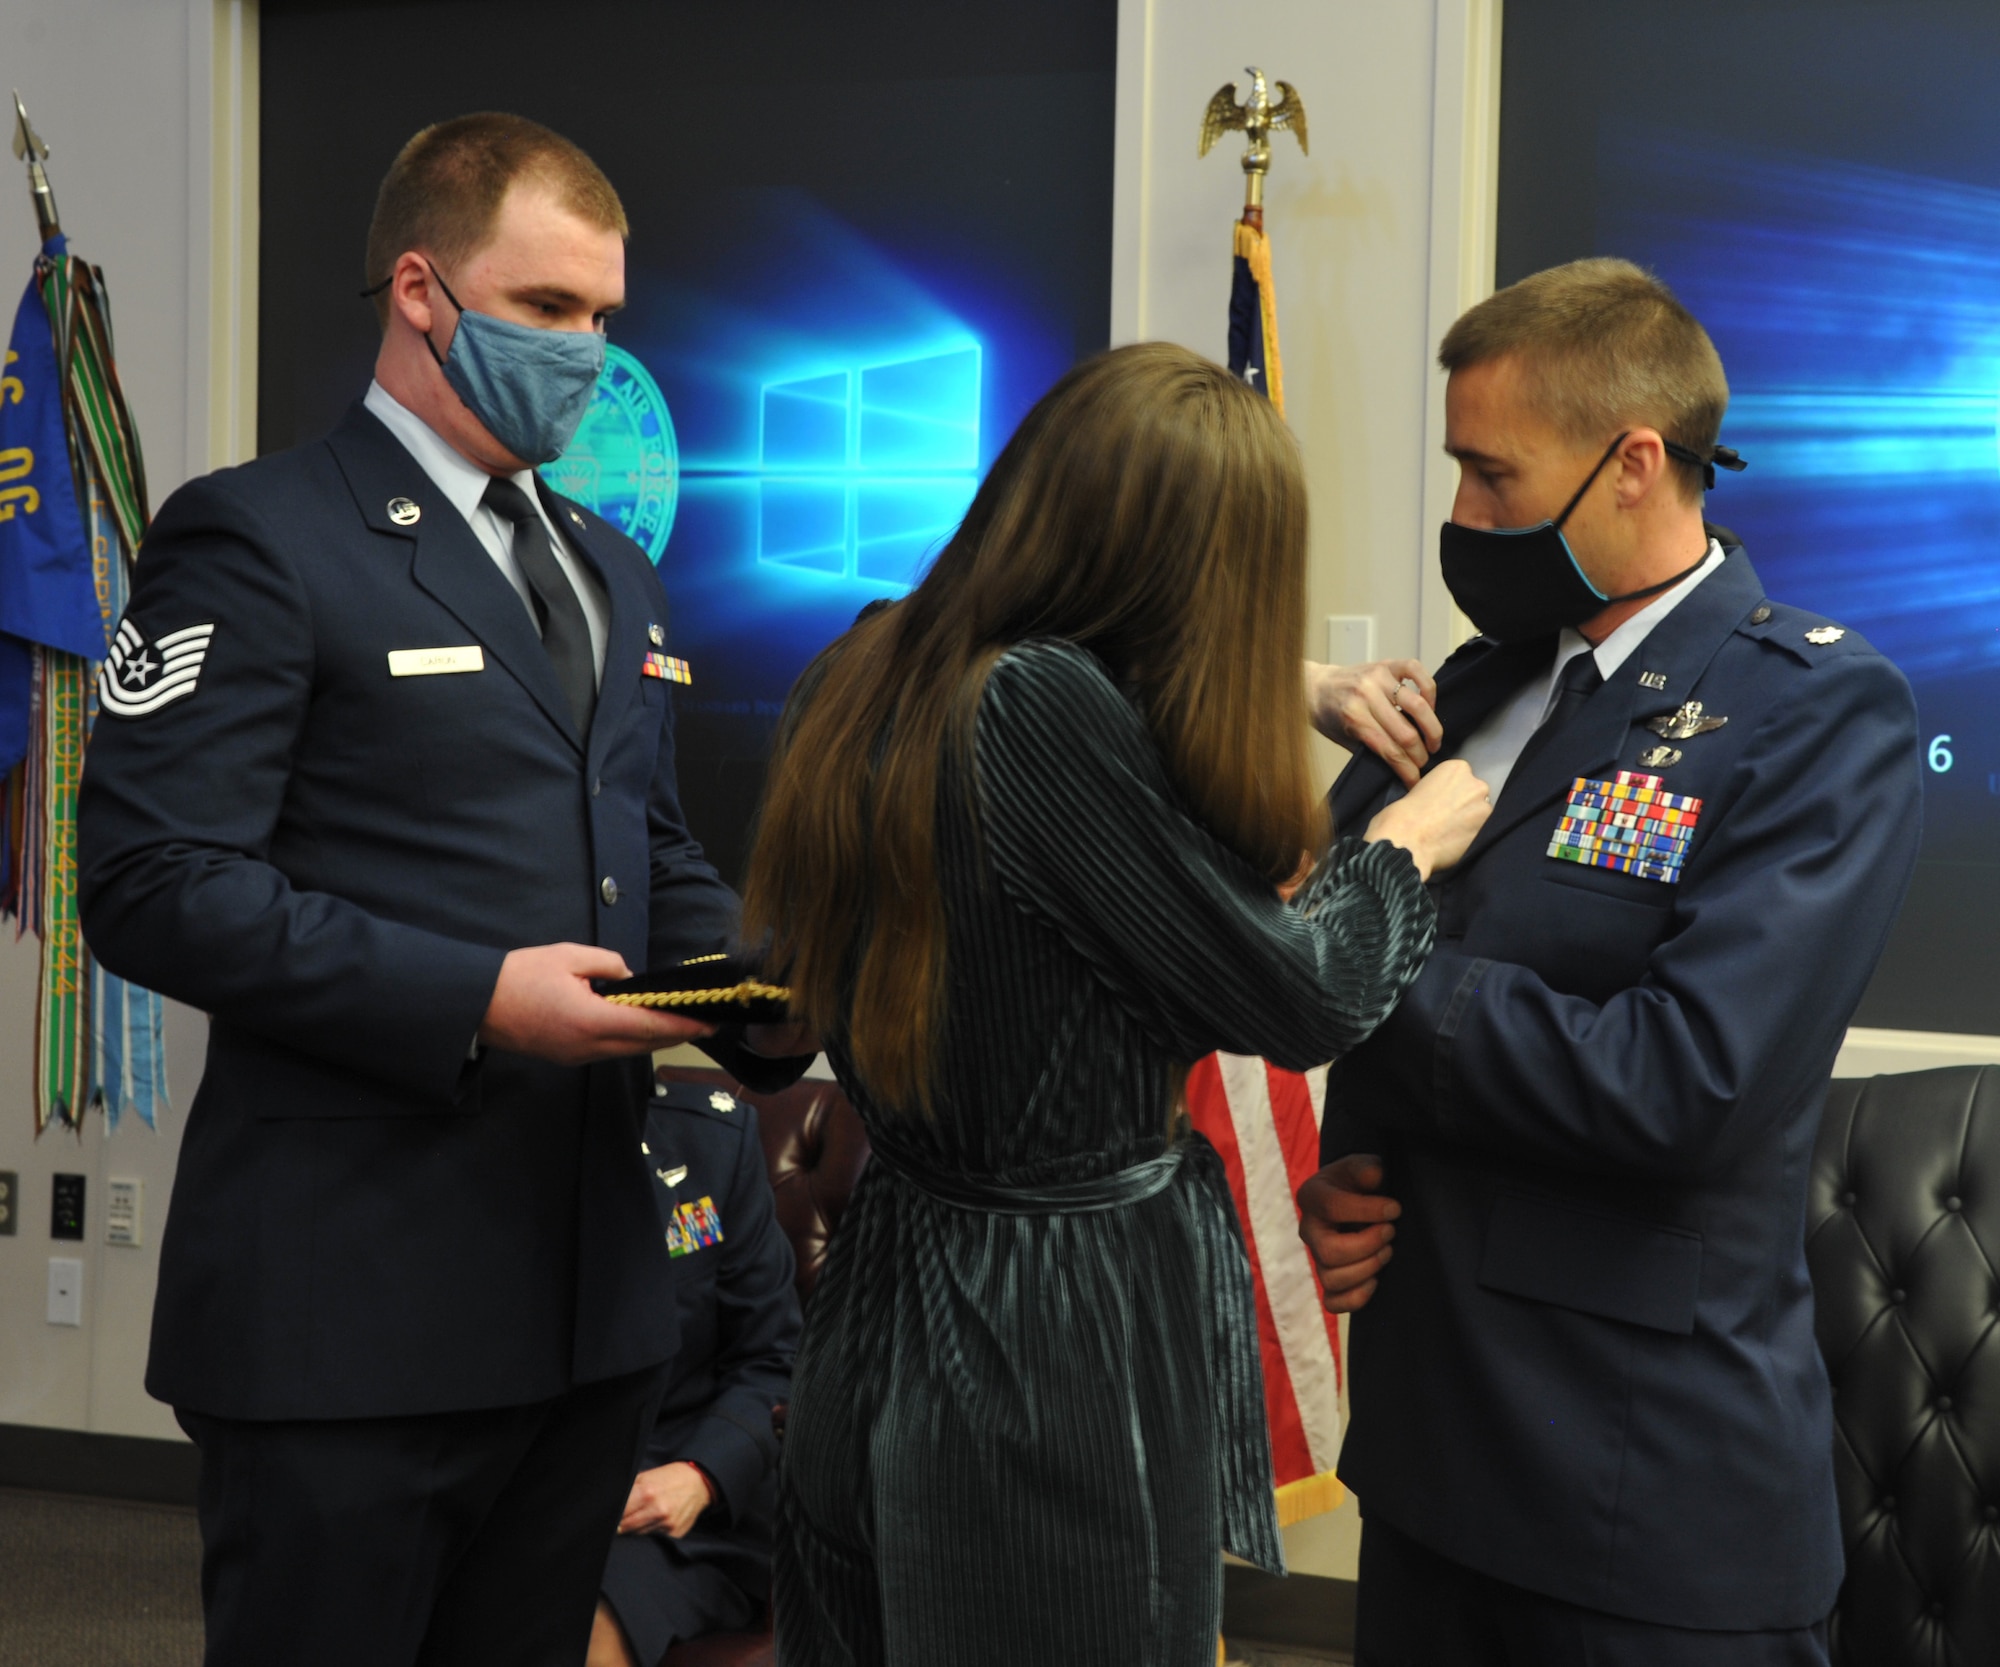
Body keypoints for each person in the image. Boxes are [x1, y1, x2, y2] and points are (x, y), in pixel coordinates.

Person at [77, 113, 809, 1667]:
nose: (591, 351)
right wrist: (476, 995)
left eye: (607, 315)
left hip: (589, 1315)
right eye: (549, 309)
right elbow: (150, 881)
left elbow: (646, 849)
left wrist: (770, 990)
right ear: (421, 290)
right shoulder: (258, 537)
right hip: (352, 1316)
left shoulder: (611, 566)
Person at [741, 342, 1492, 1666]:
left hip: (892, 1296)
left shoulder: (868, 662)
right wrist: (1406, 849)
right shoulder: (1040, 709)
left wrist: (1294, 686)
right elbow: (1305, 994)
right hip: (1043, 1340)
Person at [1296, 258, 1924, 1667]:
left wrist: (1364, 971)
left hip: (1636, 1502)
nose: (1463, 516)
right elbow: (1309, 931)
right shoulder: (1478, 686)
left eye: (1492, 474)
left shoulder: (1812, 713)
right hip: (1425, 1460)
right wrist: (1352, 1168)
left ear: (1634, 462)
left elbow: (1680, 1080)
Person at [587, 1076, 801, 1667]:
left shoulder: (710, 1139)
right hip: (528, 1489)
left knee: (585, 1624)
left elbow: (774, 1356)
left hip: (682, 1499)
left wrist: (703, 1473)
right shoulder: (475, 1149)